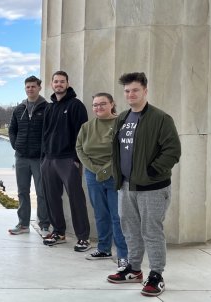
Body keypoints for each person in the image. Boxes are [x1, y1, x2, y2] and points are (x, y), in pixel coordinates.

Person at [106, 72, 181, 297]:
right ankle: (134, 269)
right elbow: (118, 150)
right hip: (126, 186)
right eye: (127, 91)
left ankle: (156, 274)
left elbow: (173, 150)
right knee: (129, 229)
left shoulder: (161, 118)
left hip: (153, 187)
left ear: (145, 91)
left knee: (151, 231)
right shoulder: (122, 118)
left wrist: (151, 171)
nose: (130, 94)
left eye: (135, 90)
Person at [40, 70, 91, 252]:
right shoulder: (49, 107)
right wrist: (43, 158)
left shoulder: (76, 106)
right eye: (56, 81)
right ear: (52, 84)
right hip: (49, 160)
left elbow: (82, 135)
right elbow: (44, 135)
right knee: (52, 198)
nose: (59, 84)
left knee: (76, 199)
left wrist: (77, 160)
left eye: (62, 81)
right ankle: (58, 232)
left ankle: (83, 237)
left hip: (68, 160)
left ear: (67, 84)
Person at [76, 93, 128, 266]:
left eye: (102, 104)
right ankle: (104, 248)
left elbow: (124, 150)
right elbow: (79, 149)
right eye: (95, 105)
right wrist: (95, 169)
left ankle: (123, 255)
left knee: (117, 216)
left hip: (115, 174)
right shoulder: (87, 126)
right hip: (92, 175)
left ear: (112, 104)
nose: (98, 108)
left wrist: (106, 170)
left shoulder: (122, 124)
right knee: (100, 214)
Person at [8, 75, 50, 235]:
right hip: (21, 157)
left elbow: (50, 132)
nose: (30, 89)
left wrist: (44, 150)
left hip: (39, 158)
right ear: (25, 89)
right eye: (28, 87)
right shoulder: (19, 109)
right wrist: (15, 145)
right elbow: (12, 130)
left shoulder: (47, 108)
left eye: (33, 86)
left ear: (39, 88)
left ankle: (44, 224)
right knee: (22, 191)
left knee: (42, 192)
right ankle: (23, 224)